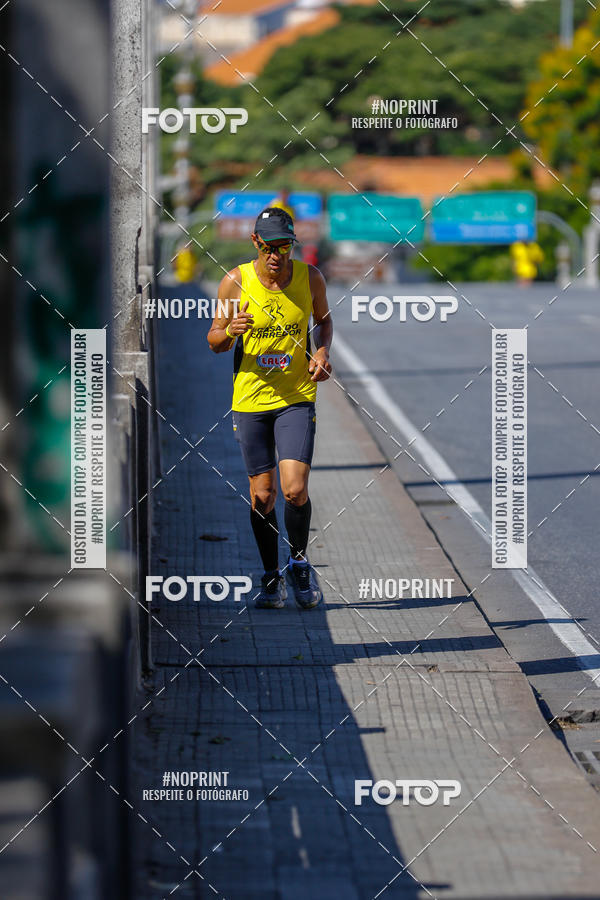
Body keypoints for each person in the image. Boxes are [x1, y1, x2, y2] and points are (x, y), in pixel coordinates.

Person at [208, 207, 333, 609]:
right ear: (255, 244)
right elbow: (213, 340)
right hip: (250, 400)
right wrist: (230, 331)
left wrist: (322, 351)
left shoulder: (310, 278)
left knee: (295, 489)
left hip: (295, 396)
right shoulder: (235, 282)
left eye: (283, 247)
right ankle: (270, 577)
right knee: (263, 496)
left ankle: (298, 562)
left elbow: (323, 320)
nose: (276, 256)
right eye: (269, 247)